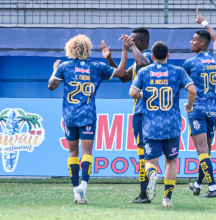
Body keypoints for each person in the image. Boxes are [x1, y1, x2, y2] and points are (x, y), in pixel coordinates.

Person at [48, 34, 133, 204]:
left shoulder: (65, 66)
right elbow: (122, 73)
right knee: (87, 153)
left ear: (71, 49)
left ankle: (74, 191)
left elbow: (51, 85)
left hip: (70, 116)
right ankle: (84, 186)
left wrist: (54, 70)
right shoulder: (96, 67)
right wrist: (123, 51)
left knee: (73, 152)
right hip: (87, 115)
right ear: (88, 49)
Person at [129, 41, 196, 207]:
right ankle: (167, 199)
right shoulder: (178, 71)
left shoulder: (144, 72)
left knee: (150, 162)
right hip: (172, 126)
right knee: (171, 162)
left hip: (151, 126)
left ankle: (152, 173)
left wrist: (147, 95)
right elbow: (193, 90)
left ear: (152, 57)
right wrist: (190, 105)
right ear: (168, 56)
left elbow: (132, 92)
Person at [101, 27, 153, 204]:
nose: (128, 42)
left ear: (141, 42)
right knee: (145, 154)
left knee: (142, 154)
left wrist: (130, 48)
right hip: (143, 112)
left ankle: (144, 193)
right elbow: (124, 77)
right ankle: (146, 188)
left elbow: (145, 64)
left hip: (144, 112)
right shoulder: (138, 59)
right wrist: (109, 59)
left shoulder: (151, 56)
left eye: (132, 40)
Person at [182, 9, 216, 197]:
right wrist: (204, 22)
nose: (191, 42)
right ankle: (198, 184)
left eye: (194, 39)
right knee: (207, 150)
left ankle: (212, 188)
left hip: (197, 110)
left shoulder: (190, 63)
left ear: (202, 43)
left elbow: (181, 84)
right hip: (213, 111)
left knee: (201, 151)